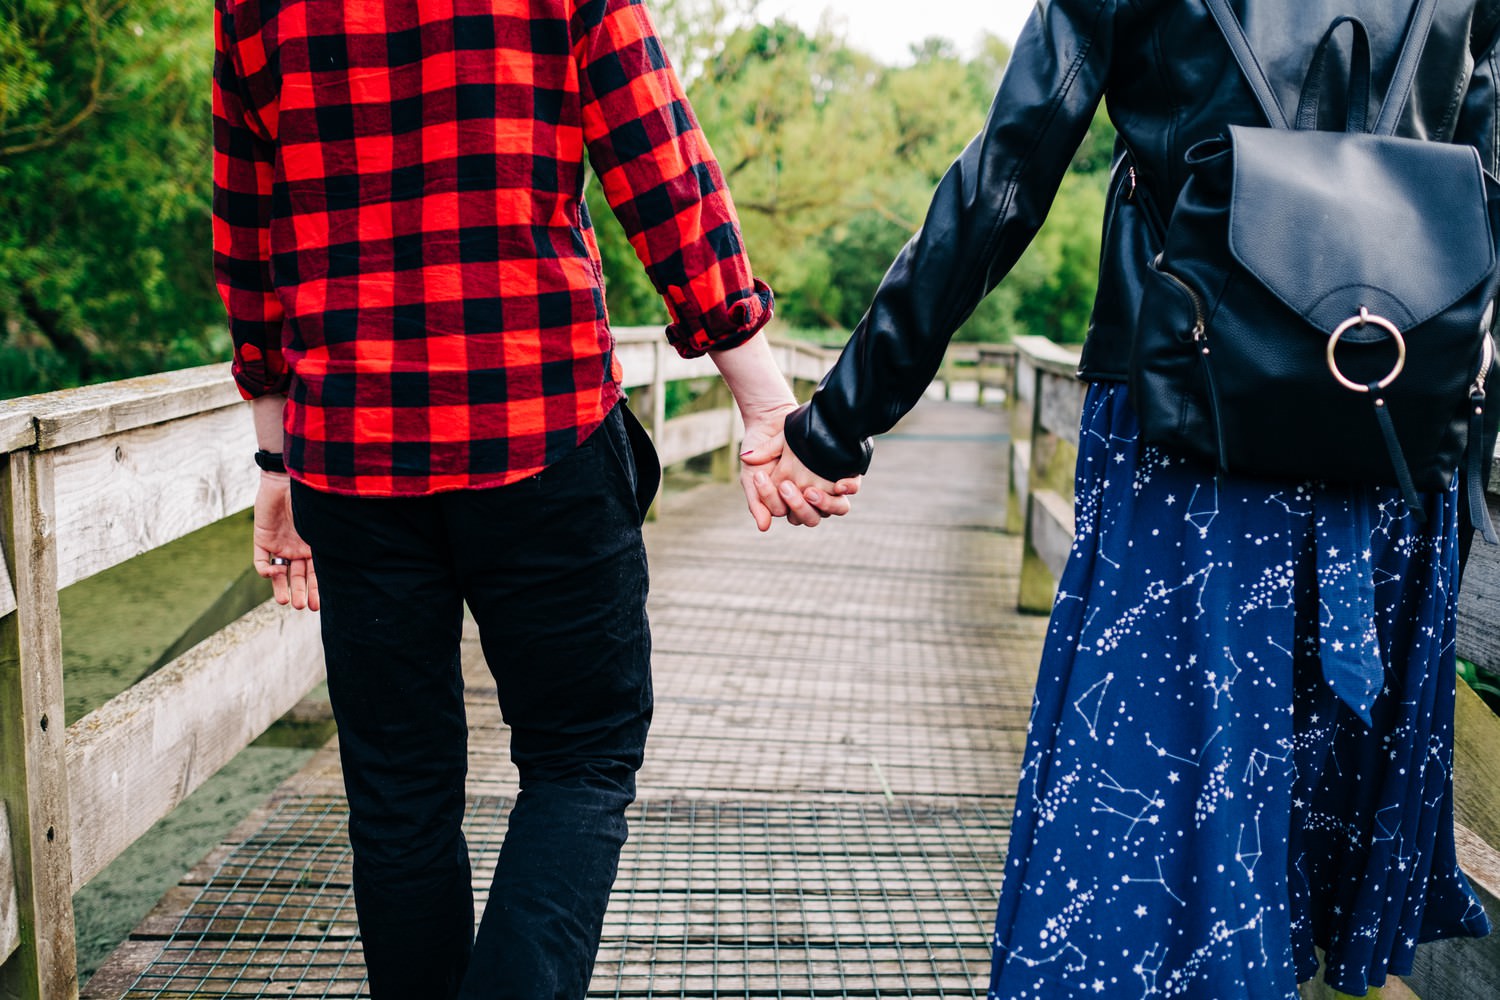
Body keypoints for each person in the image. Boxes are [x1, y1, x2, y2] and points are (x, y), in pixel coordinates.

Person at [762, 1, 1500, 996]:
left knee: (1150, 862)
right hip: (1383, 426)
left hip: (1191, 439)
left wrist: (838, 419)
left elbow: (1007, 177)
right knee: (1305, 861)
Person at [212, 0, 851, 996]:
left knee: (398, 796)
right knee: (580, 762)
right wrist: (762, 391)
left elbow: (251, 238)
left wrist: (272, 460)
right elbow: (659, 164)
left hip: (350, 450)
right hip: (540, 424)